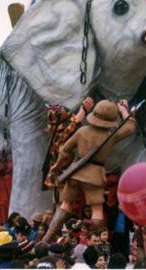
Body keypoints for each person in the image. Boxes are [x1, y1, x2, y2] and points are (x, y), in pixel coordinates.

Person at [44, 99, 136, 242]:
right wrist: (124, 110)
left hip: (75, 172)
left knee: (66, 205)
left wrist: (57, 165)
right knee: (97, 210)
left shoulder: (82, 131)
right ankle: (96, 242)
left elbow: (65, 150)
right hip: (94, 175)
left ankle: (47, 239)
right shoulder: (111, 136)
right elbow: (130, 126)